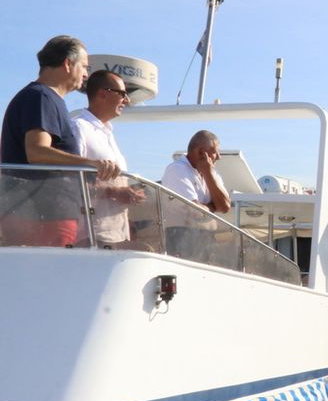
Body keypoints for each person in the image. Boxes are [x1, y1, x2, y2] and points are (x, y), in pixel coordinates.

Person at [1, 36, 119, 246]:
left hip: (36, 212)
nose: (85, 74)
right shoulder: (41, 97)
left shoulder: (42, 97)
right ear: (67, 63)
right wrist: (92, 163)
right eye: (84, 67)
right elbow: (37, 151)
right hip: (43, 215)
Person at [72, 69, 147, 247]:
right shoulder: (79, 128)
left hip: (117, 235)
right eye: (123, 94)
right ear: (102, 94)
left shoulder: (108, 134)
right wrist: (115, 192)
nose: (127, 100)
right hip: (90, 236)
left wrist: (130, 194)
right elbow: (70, 182)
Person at [160, 130, 232, 259]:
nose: (219, 157)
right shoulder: (177, 169)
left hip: (204, 240)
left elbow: (225, 206)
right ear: (201, 153)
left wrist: (208, 174)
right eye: (215, 151)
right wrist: (213, 206)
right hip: (182, 239)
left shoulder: (211, 173)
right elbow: (195, 211)